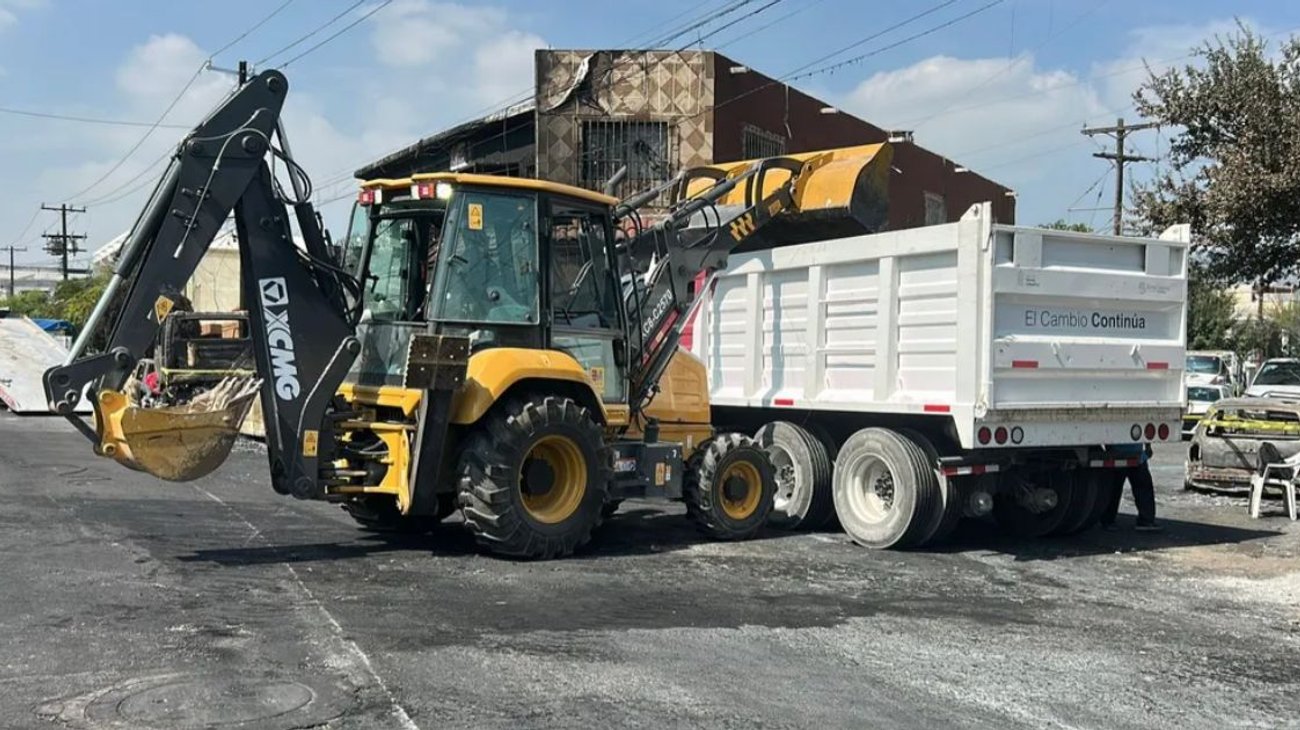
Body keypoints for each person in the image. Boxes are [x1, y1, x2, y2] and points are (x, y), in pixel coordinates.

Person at [1100, 442, 1160, 531]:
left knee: (1114, 489)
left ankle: (1108, 520)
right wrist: (1148, 446)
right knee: (1143, 487)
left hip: (1117, 452)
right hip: (1137, 453)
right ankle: (1146, 520)